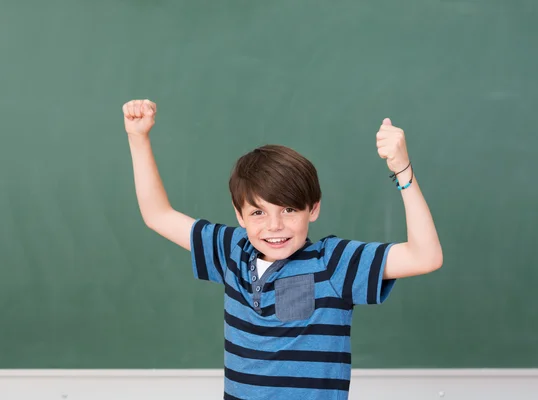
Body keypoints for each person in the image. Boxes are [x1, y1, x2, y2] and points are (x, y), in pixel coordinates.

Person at [122, 99, 443, 400]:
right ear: (240, 215)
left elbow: (425, 256)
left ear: (312, 209)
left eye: (288, 210)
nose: (274, 226)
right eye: (258, 212)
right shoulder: (232, 251)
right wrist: (138, 138)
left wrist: (402, 170)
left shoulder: (333, 264)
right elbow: (157, 215)